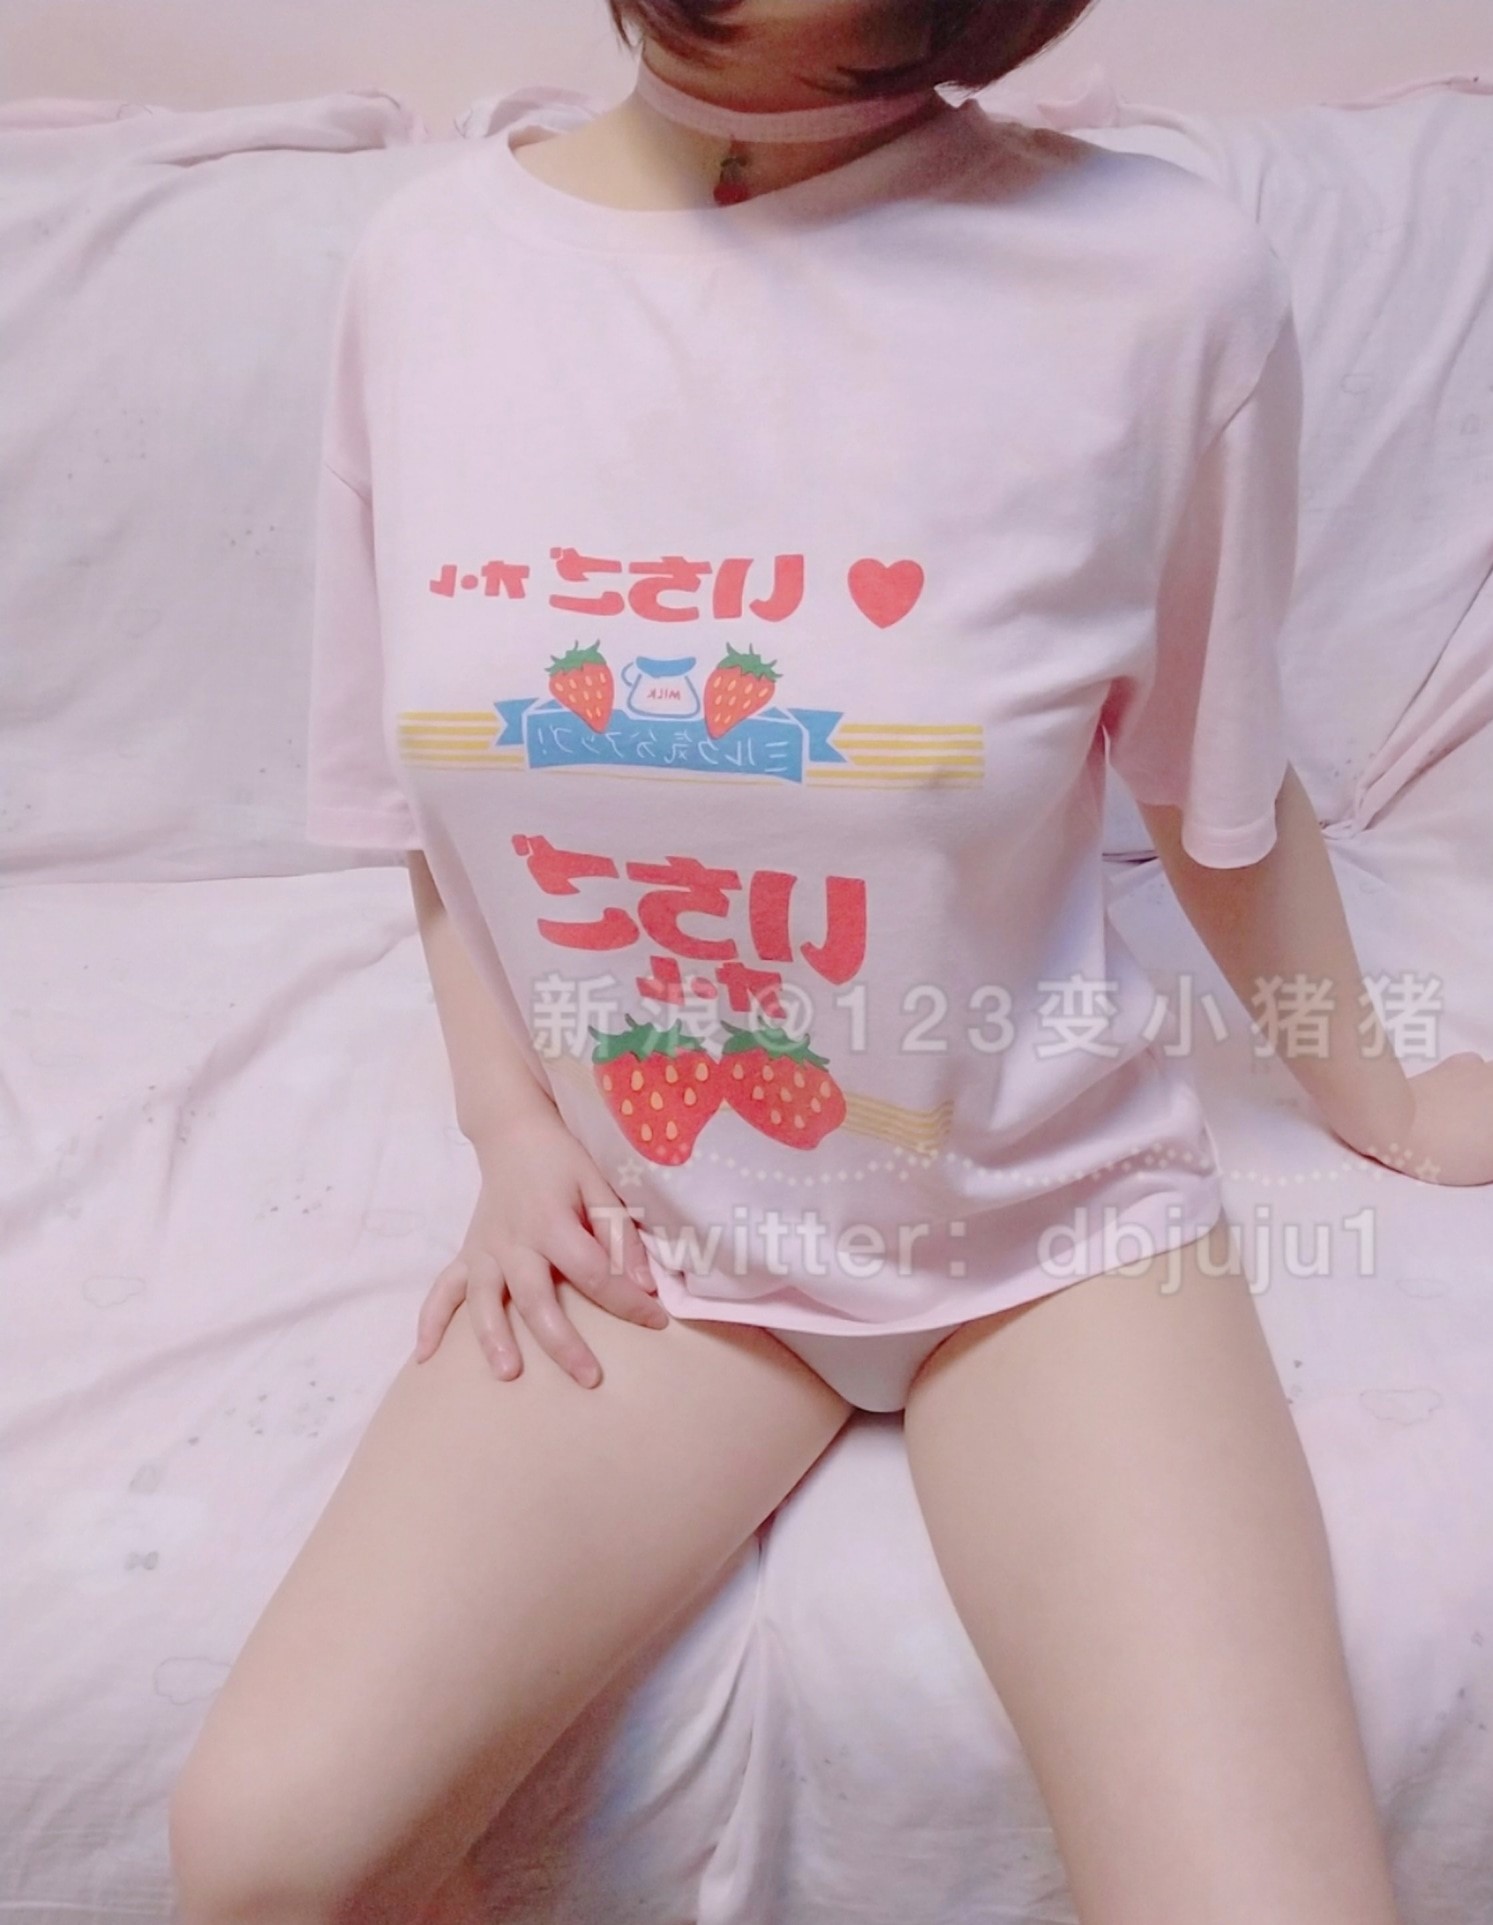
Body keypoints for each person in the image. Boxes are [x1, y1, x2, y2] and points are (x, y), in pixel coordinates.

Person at [169, 1, 1493, 1918]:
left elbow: (1214, 775)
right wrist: (506, 1124)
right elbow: (436, 801)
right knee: (265, 1850)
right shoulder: (432, 278)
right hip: (657, 1236)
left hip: (1041, 1229)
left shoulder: (1154, 282)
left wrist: (1379, 1093)